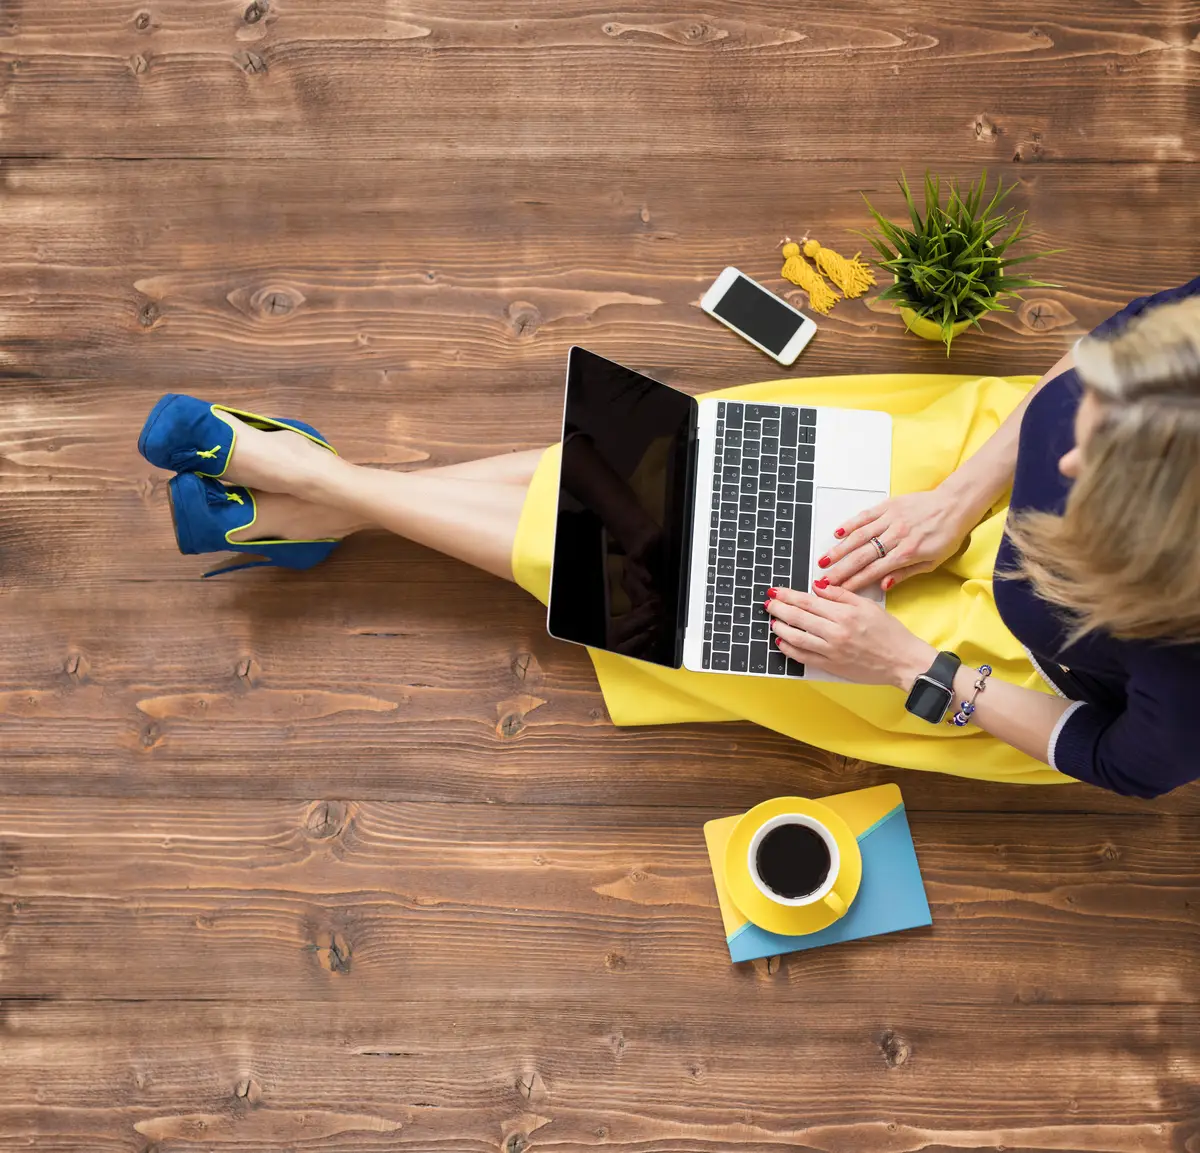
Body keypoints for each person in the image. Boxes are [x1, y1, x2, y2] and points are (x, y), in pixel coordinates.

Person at [138, 280, 1200, 798]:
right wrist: (962, 492)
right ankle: (326, 494)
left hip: (1009, 658)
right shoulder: (1141, 383)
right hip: (976, 467)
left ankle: (320, 483)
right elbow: (1096, 352)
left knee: (662, 561)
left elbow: (1121, 759)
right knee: (687, 468)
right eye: (1098, 422)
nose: (1072, 456)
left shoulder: (1181, 674)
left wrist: (919, 670)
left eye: (1097, 467)